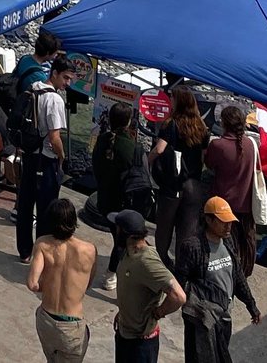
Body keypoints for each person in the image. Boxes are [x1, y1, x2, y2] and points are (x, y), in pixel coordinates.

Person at [171, 197, 261, 363]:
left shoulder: (227, 241)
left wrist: (251, 305)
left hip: (223, 316)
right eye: (223, 222)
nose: (228, 226)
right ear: (208, 219)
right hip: (201, 320)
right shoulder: (192, 246)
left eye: (230, 222)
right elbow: (180, 283)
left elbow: (238, 275)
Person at [90, 103, 154, 289]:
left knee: (118, 238)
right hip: (125, 203)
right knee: (123, 241)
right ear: (129, 122)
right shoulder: (135, 149)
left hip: (104, 200)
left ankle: (114, 273)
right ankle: (111, 274)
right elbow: (143, 177)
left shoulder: (101, 140)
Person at [28, 196, 97, 363]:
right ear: (73, 221)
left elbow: (32, 283)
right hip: (72, 326)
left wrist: (48, 286)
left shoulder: (42, 245)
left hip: (46, 319)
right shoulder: (89, 250)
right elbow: (88, 284)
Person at [16, 58, 71, 263]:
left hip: (29, 153)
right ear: (54, 73)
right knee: (46, 209)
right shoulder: (55, 100)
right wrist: (62, 156)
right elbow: (54, 136)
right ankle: (41, 253)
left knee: (25, 204)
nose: (67, 83)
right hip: (46, 158)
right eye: (65, 77)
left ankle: (24, 251)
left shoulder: (34, 87)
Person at [112, 209, 184, 363]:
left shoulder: (147, 262)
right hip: (125, 334)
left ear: (127, 234)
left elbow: (178, 296)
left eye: (117, 228)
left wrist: (159, 312)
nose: (114, 231)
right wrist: (124, 313)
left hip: (141, 344)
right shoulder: (127, 252)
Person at [151, 85, 213, 265]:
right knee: (186, 231)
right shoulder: (202, 127)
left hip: (172, 184)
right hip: (193, 184)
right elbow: (204, 156)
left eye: (172, 98)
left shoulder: (171, 123)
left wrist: (148, 162)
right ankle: (181, 268)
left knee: (164, 228)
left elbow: (159, 149)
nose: (170, 100)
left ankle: (162, 262)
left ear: (179, 101)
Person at [203, 105, 259, 276]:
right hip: (245, 205)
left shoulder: (219, 145)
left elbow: (209, 164)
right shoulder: (250, 144)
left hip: (223, 205)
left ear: (224, 122)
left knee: (223, 247)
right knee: (243, 247)